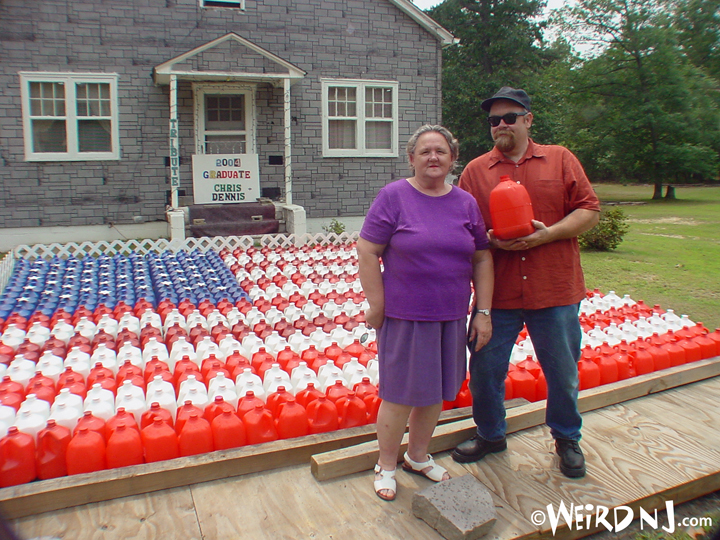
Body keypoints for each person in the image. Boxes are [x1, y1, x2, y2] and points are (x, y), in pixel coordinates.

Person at [451, 87, 600, 478]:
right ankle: (490, 434)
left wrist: (546, 234)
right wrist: (488, 238)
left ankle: (567, 438)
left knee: (562, 371)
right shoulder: (475, 171)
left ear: (529, 119)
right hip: (497, 294)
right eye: (493, 120)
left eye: (509, 117)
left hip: (553, 289)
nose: (500, 125)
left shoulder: (560, 159)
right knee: (484, 370)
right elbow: (462, 227)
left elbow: (590, 210)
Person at [358, 125, 494, 501]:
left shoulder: (465, 202)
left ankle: (417, 457)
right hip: (406, 315)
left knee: (434, 393)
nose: (433, 157)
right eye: (425, 151)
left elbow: (482, 257)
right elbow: (367, 251)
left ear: (453, 158)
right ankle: (386, 464)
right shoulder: (394, 197)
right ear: (412, 158)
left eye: (441, 151)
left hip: (450, 316)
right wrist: (378, 304)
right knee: (400, 394)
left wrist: (482, 310)